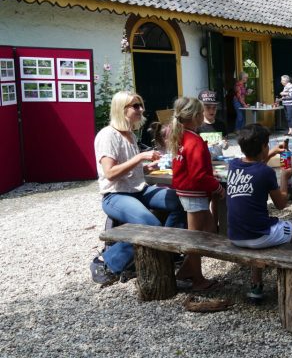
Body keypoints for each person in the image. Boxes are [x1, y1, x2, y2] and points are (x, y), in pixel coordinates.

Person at [92, 91, 185, 284]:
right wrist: (140, 158)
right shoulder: (108, 135)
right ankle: (105, 263)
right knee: (150, 225)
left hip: (139, 190)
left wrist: (145, 166)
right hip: (115, 195)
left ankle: (167, 251)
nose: (141, 109)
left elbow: (128, 167)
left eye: (140, 105)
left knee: (181, 200)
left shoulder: (129, 134)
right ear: (121, 109)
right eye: (135, 106)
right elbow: (109, 173)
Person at [226, 123, 292, 302]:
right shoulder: (266, 172)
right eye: (268, 145)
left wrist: (271, 153)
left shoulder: (233, 165)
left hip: (235, 235)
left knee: (255, 227)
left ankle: (256, 287)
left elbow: (253, 169)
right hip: (258, 237)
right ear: (263, 146)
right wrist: (284, 178)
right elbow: (281, 204)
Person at [169, 96, 225, 291]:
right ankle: (197, 279)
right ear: (194, 116)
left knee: (209, 232)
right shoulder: (194, 140)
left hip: (186, 190)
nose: (204, 115)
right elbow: (199, 176)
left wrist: (209, 173)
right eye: (201, 112)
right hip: (194, 193)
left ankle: (186, 272)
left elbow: (191, 168)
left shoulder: (180, 136)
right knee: (197, 238)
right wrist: (218, 188)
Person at [196, 89, 228, 230]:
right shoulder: (197, 126)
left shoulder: (221, 124)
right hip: (204, 165)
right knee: (206, 196)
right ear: (201, 108)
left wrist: (225, 144)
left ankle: (216, 226)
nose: (211, 110)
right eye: (208, 107)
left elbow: (225, 142)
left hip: (219, 163)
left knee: (218, 196)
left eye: (214, 107)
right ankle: (207, 227)